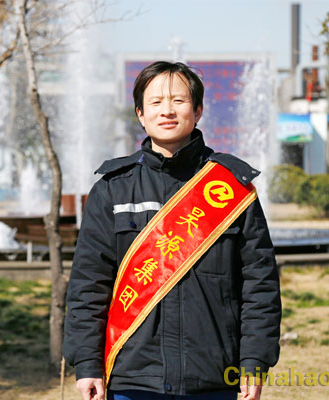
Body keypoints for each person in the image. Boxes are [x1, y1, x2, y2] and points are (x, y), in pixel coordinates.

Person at [63, 61, 281, 400]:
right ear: (140, 113)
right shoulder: (113, 190)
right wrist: (87, 362)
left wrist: (254, 360)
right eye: (155, 102)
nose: (167, 110)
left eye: (178, 101)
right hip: (133, 377)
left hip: (214, 376)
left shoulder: (231, 189)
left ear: (198, 111)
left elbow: (259, 284)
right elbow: (89, 284)